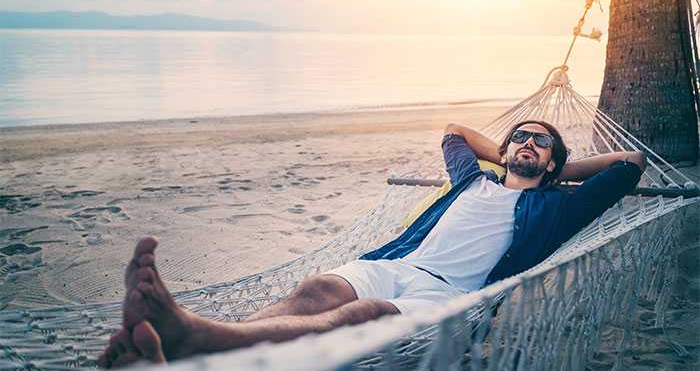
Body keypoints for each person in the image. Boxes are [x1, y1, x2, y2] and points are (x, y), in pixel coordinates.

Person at [98, 120, 646, 367]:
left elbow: (630, 166)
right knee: (315, 288)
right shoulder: (472, 181)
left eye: (540, 142)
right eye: (519, 137)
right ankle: (202, 341)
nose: (527, 143)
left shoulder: (557, 207)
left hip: (449, 295)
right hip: (394, 263)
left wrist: (559, 169)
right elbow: (454, 132)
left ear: (555, 162)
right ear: (502, 152)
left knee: (361, 314)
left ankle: (195, 338)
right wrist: (510, 152)